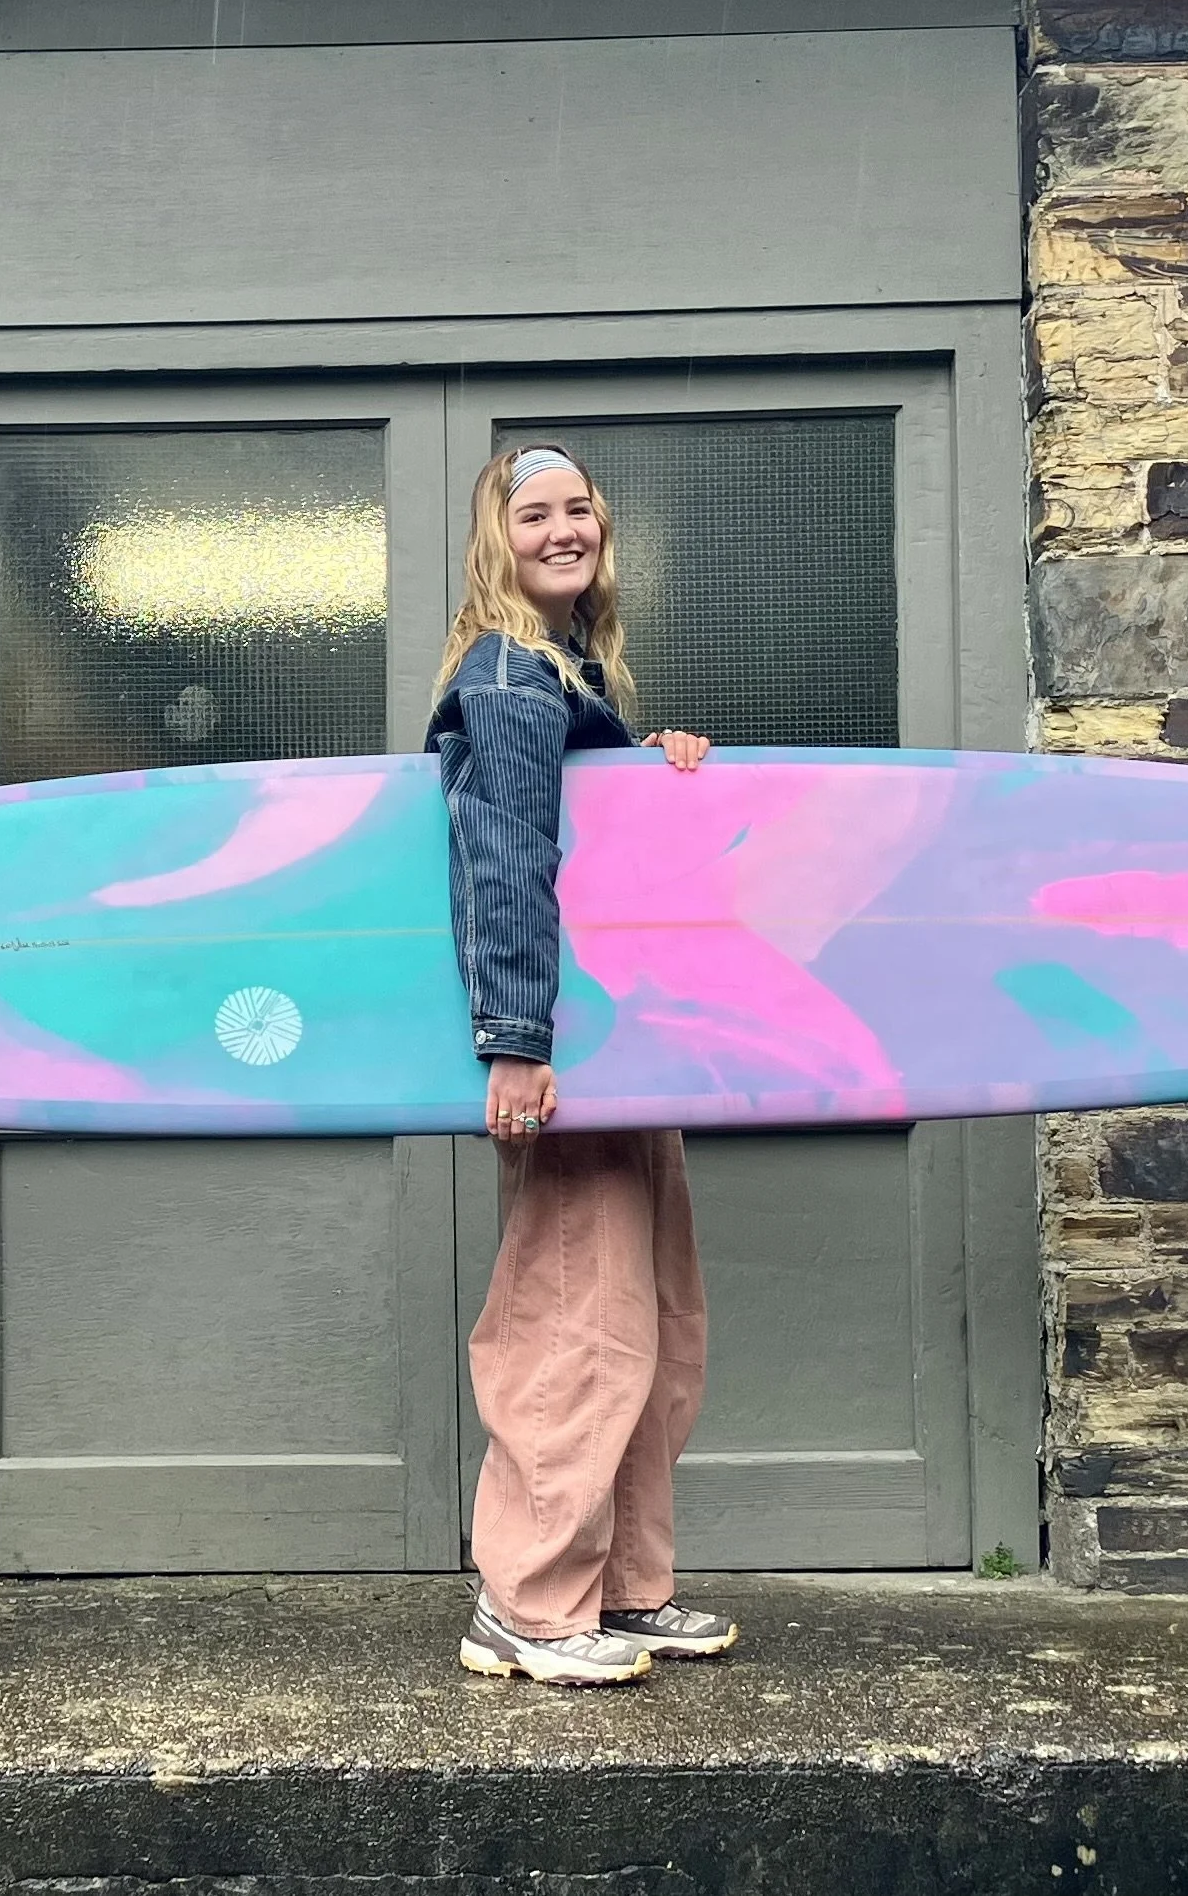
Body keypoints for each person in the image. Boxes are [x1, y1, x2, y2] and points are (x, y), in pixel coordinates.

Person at [426, 443, 738, 1688]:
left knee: (654, 1324)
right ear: (497, 540)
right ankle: (528, 1599)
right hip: (561, 1050)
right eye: (533, 513)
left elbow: (593, 849)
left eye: (578, 510)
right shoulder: (506, 675)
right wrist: (513, 1043)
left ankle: (619, 1586)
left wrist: (649, 772)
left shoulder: (571, 668)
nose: (562, 529)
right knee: (573, 1321)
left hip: (619, 1050)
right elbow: (499, 854)